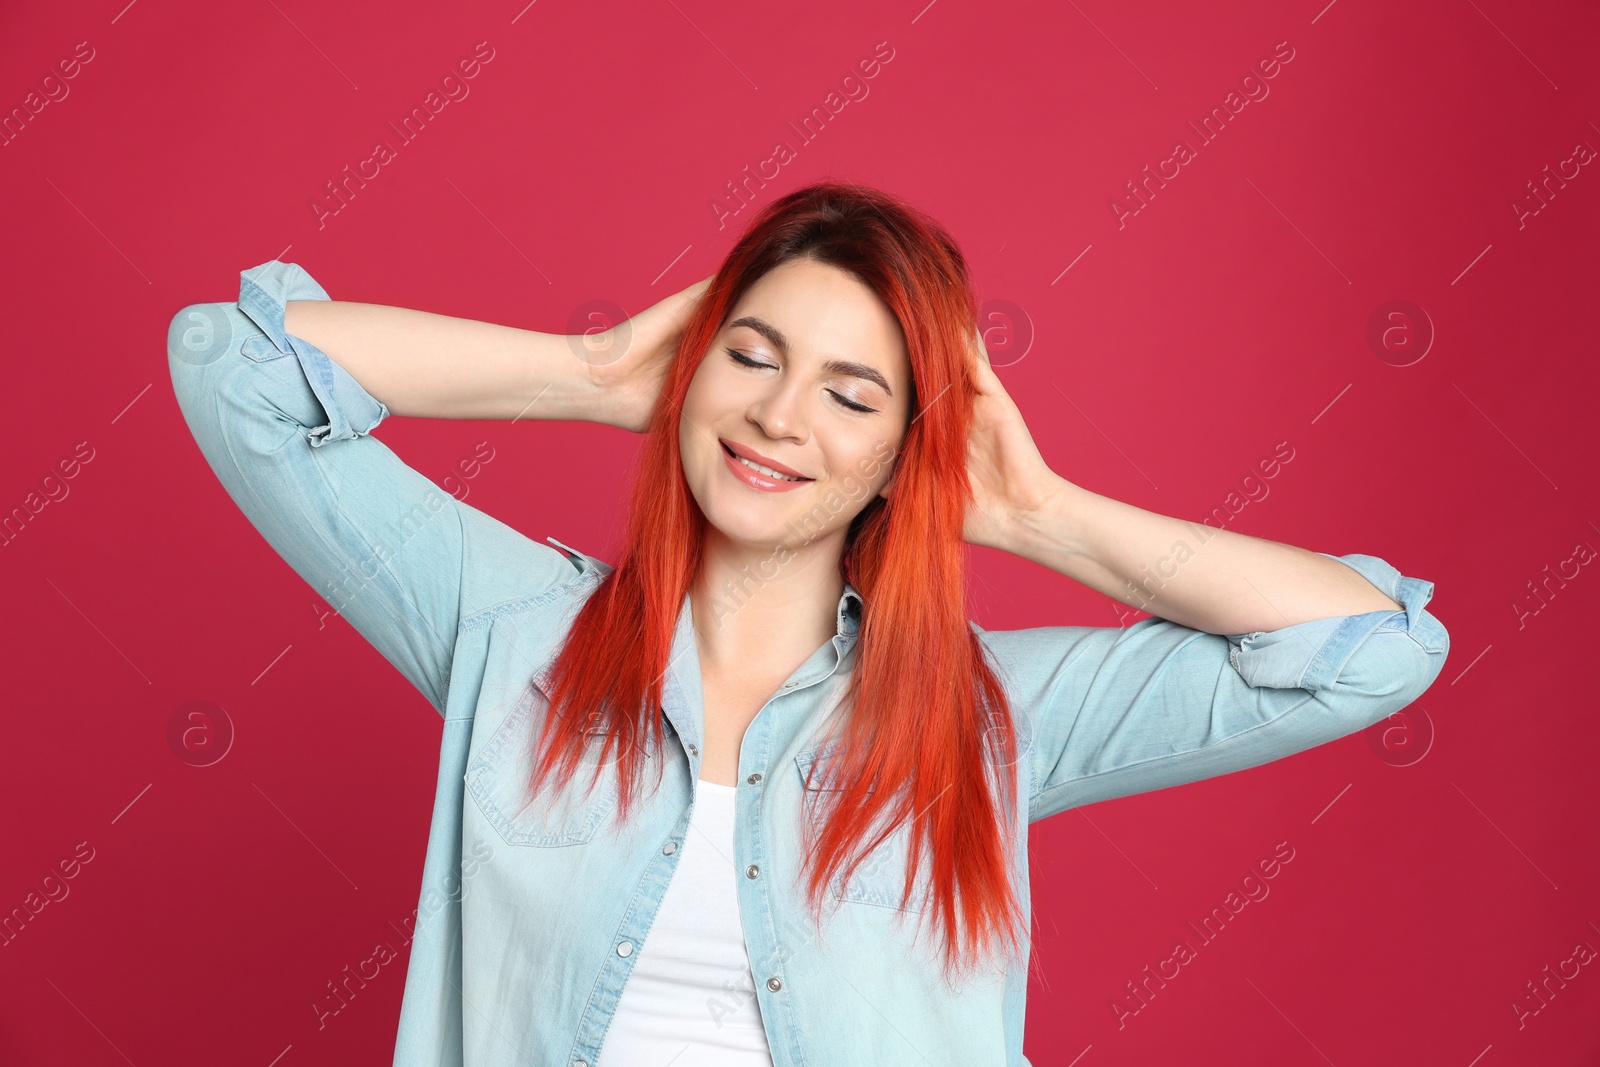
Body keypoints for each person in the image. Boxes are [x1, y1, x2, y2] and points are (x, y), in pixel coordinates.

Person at [165, 181, 1449, 1067]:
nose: (781, 417)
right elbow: (235, 363)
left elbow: (1369, 647)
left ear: (903, 451)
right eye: (752, 353)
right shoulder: (511, 630)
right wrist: (590, 370)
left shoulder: (985, 718)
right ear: (694, 367)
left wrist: (1038, 514)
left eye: (851, 393)